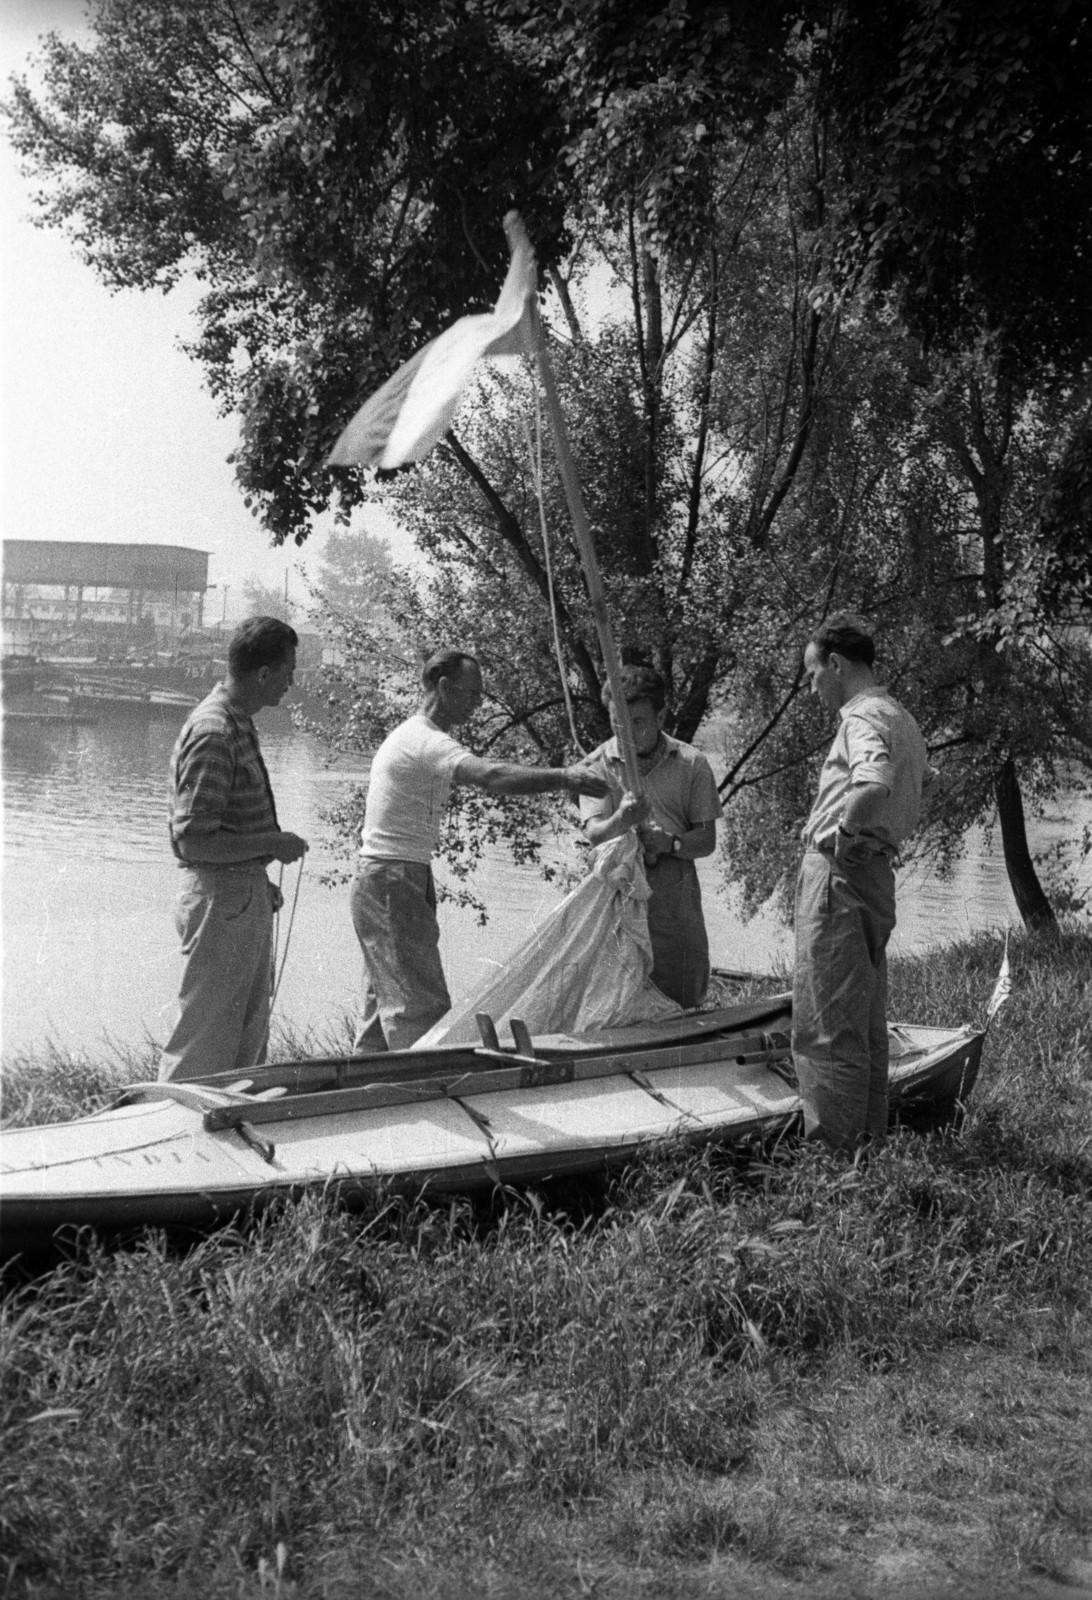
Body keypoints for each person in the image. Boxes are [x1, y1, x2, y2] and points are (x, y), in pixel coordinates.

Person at [350, 649, 609, 1052]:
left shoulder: (420, 737)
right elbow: (490, 775)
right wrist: (564, 778)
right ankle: (426, 1093)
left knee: (386, 1002)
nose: (478, 704)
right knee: (420, 1005)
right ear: (444, 687)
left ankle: (365, 1091)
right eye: (472, 693)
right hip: (392, 878)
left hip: (394, 875)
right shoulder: (423, 739)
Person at [793, 613, 929, 1150]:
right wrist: (876, 837)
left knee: (825, 1025)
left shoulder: (860, 718)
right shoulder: (902, 718)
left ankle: (831, 1159)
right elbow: (919, 787)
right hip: (876, 874)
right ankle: (867, 1144)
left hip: (839, 874)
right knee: (866, 1027)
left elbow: (873, 783)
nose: (811, 688)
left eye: (812, 675)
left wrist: (848, 832)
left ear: (837, 664)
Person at [159, 616, 308, 1082]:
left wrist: (255, 878)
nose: (291, 682)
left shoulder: (237, 722)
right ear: (264, 674)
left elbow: (220, 828)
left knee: (243, 1041)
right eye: (288, 671)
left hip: (237, 892)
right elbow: (194, 839)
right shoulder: (215, 731)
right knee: (203, 1042)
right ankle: (172, 1133)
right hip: (221, 898)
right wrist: (271, 844)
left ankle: (224, 1135)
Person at [579, 665, 723, 1008]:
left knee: (683, 998)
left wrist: (671, 843)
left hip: (675, 904)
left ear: (660, 716)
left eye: (638, 723)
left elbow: (707, 840)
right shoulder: (595, 765)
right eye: (617, 724)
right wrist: (622, 818)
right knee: (614, 1005)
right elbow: (595, 834)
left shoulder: (692, 762)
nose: (625, 735)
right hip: (616, 905)